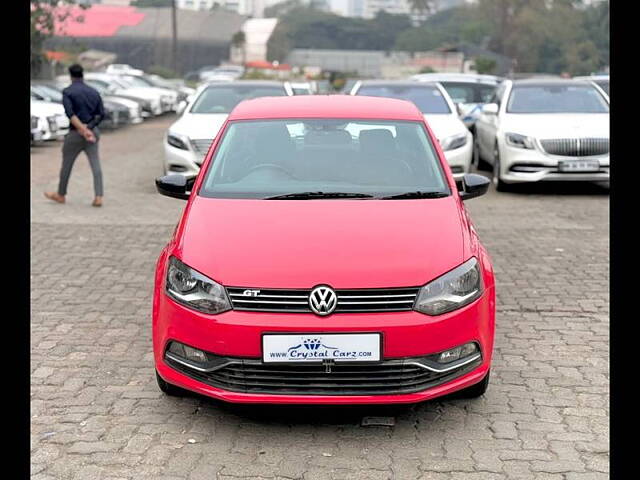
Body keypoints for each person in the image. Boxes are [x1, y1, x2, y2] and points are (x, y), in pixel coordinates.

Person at [44, 64, 105, 207]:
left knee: (67, 165)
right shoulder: (94, 92)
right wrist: (89, 128)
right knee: (95, 164)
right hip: (92, 133)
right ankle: (99, 196)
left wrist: (82, 130)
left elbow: (70, 114)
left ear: (70, 75)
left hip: (74, 134)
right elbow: (101, 114)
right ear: (83, 74)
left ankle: (61, 195)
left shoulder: (68, 92)